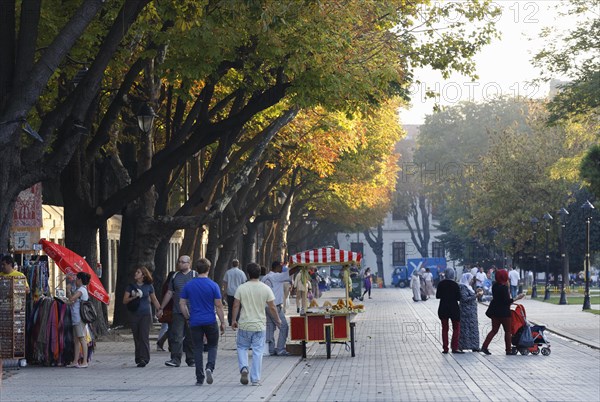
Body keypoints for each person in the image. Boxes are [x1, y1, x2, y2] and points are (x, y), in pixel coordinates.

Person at [231, 263, 281, 386]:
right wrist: (278, 320)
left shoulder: (242, 288)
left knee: (242, 348)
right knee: (258, 352)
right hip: (259, 326)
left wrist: (233, 320)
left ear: (248, 274)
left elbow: (236, 305)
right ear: (260, 274)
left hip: (244, 325)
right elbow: (272, 307)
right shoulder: (265, 288)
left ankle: (243, 367)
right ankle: (255, 379)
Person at [179, 258, 225, 386]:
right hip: (210, 320)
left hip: (195, 321)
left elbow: (182, 304)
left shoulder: (189, 285)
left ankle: (199, 378)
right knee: (213, 345)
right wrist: (222, 322)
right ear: (209, 269)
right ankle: (210, 367)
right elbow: (219, 305)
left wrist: (188, 317)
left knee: (197, 348)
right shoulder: (213, 285)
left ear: (196, 269)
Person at [157, 255, 197, 367]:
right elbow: (169, 293)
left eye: (183, 262)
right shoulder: (175, 276)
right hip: (177, 311)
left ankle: (191, 359)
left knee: (191, 336)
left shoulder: (194, 275)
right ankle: (175, 359)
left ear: (189, 263)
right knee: (176, 335)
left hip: (192, 311)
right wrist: (161, 308)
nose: (180, 264)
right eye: (179, 262)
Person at [123, 266, 161, 367]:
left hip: (146, 314)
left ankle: (144, 359)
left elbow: (154, 300)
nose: (136, 273)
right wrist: (134, 297)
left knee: (144, 336)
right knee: (137, 337)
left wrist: (160, 309)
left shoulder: (149, 286)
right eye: (136, 272)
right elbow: (125, 300)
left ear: (143, 275)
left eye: (138, 272)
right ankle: (138, 358)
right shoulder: (130, 287)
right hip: (134, 314)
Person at [481, 269, 525, 355]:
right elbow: (507, 301)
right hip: (504, 313)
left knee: (494, 330)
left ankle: (484, 346)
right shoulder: (504, 288)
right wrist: (517, 298)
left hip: (495, 312)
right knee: (508, 331)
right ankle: (508, 350)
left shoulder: (495, 286)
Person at [261, 261, 291, 356]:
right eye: (281, 267)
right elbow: (290, 273)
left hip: (265, 306)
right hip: (275, 307)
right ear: (277, 267)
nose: (283, 268)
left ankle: (270, 349)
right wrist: (298, 266)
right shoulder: (276, 276)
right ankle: (280, 349)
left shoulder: (265, 277)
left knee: (270, 327)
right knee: (283, 326)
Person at [67, 272, 91, 368]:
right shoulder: (80, 289)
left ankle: (85, 361)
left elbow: (72, 298)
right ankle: (75, 361)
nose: (75, 281)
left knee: (81, 339)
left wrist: (68, 291)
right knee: (76, 340)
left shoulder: (82, 290)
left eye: (76, 279)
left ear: (80, 280)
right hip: (75, 317)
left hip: (79, 318)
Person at [436, 268, 463, 354]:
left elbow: (437, 296)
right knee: (456, 328)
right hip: (454, 309)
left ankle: (445, 348)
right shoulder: (455, 285)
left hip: (443, 308)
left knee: (445, 329)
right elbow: (459, 298)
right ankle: (454, 347)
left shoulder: (441, 284)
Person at [458, 273, 482, 352]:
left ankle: (474, 345)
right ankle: (463, 345)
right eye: (471, 279)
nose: (472, 281)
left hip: (471, 313)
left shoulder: (469, 287)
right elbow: (464, 298)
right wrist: (476, 296)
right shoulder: (463, 287)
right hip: (466, 312)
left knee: (473, 329)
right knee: (465, 329)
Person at [222, 259, 247, 327]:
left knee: (230, 307)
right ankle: (236, 320)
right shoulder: (241, 273)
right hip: (239, 293)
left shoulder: (228, 272)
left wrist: (224, 292)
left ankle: (230, 321)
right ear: (238, 264)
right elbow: (244, 283)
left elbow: (225, 283)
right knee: (238, 307)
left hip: (230, 292)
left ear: (232, 264)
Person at [157, 270, 176, 352]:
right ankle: (163, 343)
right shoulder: (169, 286)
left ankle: (166, 344)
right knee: (170, 328)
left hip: (168, 308)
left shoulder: (166, 285)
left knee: (169, 328)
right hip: (170, 309)